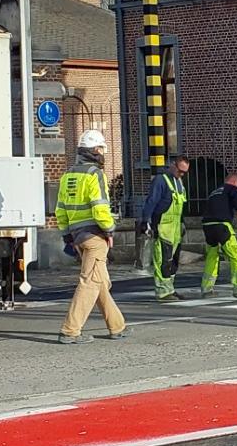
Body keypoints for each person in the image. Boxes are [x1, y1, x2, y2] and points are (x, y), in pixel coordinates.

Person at [54, 129, 126, 344]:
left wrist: (67, 235)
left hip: (77, 236)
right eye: (101, 149)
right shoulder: (95, 174)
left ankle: (117, 326)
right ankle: (70, 331)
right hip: (94, 235)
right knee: (90, 283)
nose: (103, 153)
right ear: (95, 150)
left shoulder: (68, 175)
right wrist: (109, 230)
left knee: (100, 282)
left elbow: (60, 209)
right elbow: (100, 208)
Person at [200, 172, 237, 300]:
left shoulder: (214, 192)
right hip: (222, 226)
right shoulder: (233, 189)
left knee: (212, 256)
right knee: (236, 255)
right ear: (236, 182)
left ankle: (206, 288)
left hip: (208, 226)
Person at [142, 156, 189, 301]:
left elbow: (181, 207)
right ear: (173, 165)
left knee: (173, 261)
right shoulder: (161, 180)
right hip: (162, 227)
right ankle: (163, 291)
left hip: (175, 229)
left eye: (184, 172)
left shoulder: (179, 182)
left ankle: (170, 289)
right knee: (163, 260)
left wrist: (182, 223)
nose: (182, 174)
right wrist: (146, 221)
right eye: (180, 171)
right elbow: (151, 201)